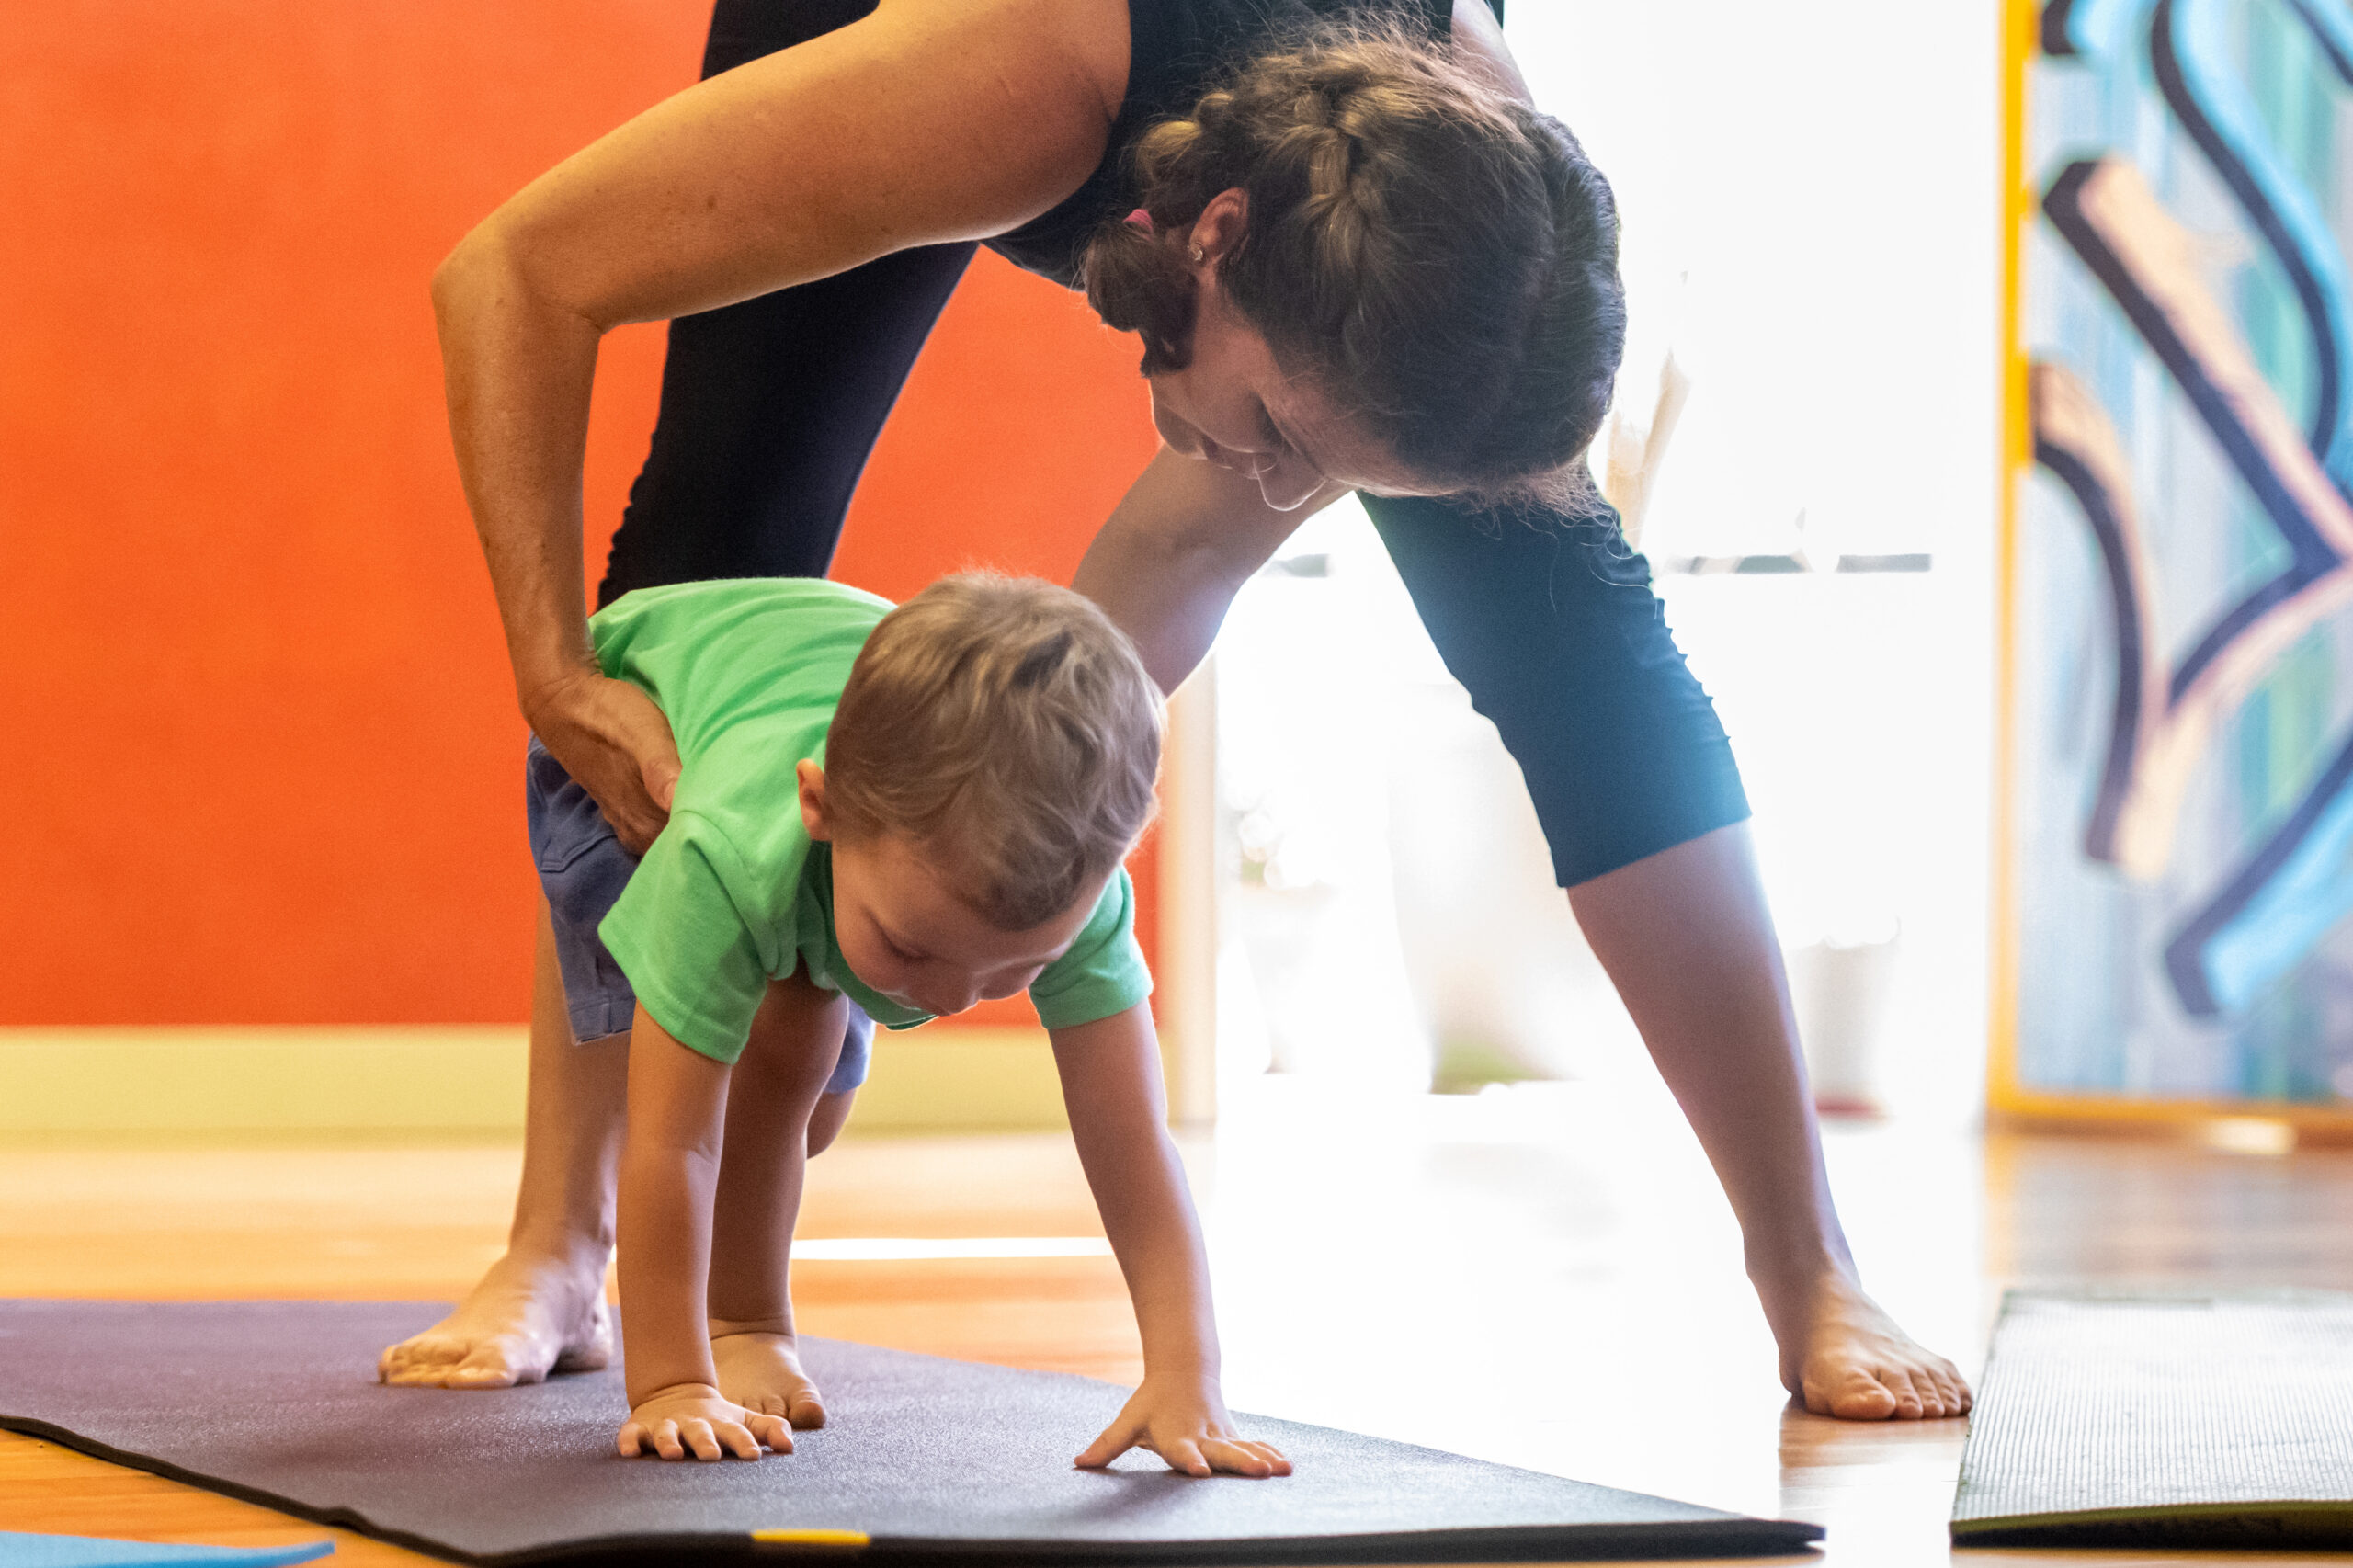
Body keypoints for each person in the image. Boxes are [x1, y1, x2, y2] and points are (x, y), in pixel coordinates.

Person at [387, 0, 1972, 1422]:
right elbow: (510, 274)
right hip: (951, 38)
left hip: (1270, 155)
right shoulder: (1013, 74)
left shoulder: (1467, 193)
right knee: (712, 569)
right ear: (1212, 238)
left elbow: (1182, 558)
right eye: (1284, 430)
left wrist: (1010, 867)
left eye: (1336, 468)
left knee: (1578, 646)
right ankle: (561, 1243)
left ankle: (1805, 1260)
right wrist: (555, 676)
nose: (1286, 492)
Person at [415, 569, 1287, 1472]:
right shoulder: (724, 850)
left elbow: (1133, 1138)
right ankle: (737, 1317)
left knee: (804, 1104)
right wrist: (674, 1383)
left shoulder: (1074, 885)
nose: (951, 1001)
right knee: (736, 1070)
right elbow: (675, 1147)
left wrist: (1188, 1371)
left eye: (1016, 970)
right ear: (820, 805)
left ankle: (748, 1305)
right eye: (916, 952)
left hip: (804, 766)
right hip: (628, 728)